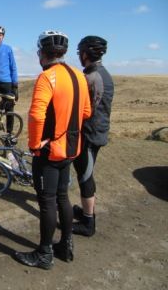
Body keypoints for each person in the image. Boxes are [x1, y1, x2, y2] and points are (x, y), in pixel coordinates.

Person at [14, 31, 91, 270]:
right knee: (62, 197)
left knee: (46, 201)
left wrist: (35, 144)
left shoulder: (47, 77)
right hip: (70, 147)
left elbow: (37, 114)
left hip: (49, 150)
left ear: (41, 53)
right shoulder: (79, 76)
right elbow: (87, 112)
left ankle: (44, 253)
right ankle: (65, 245)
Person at [72, 36, 114, 237]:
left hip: (90, 134)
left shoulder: (92, 76)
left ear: (85, 54)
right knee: (85, 173)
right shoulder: (102, 73)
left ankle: (88, 222)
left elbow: (85, 109)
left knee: (85, 175)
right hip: (97, 131)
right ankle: (86, 213)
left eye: (80, 52)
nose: (79, 56)